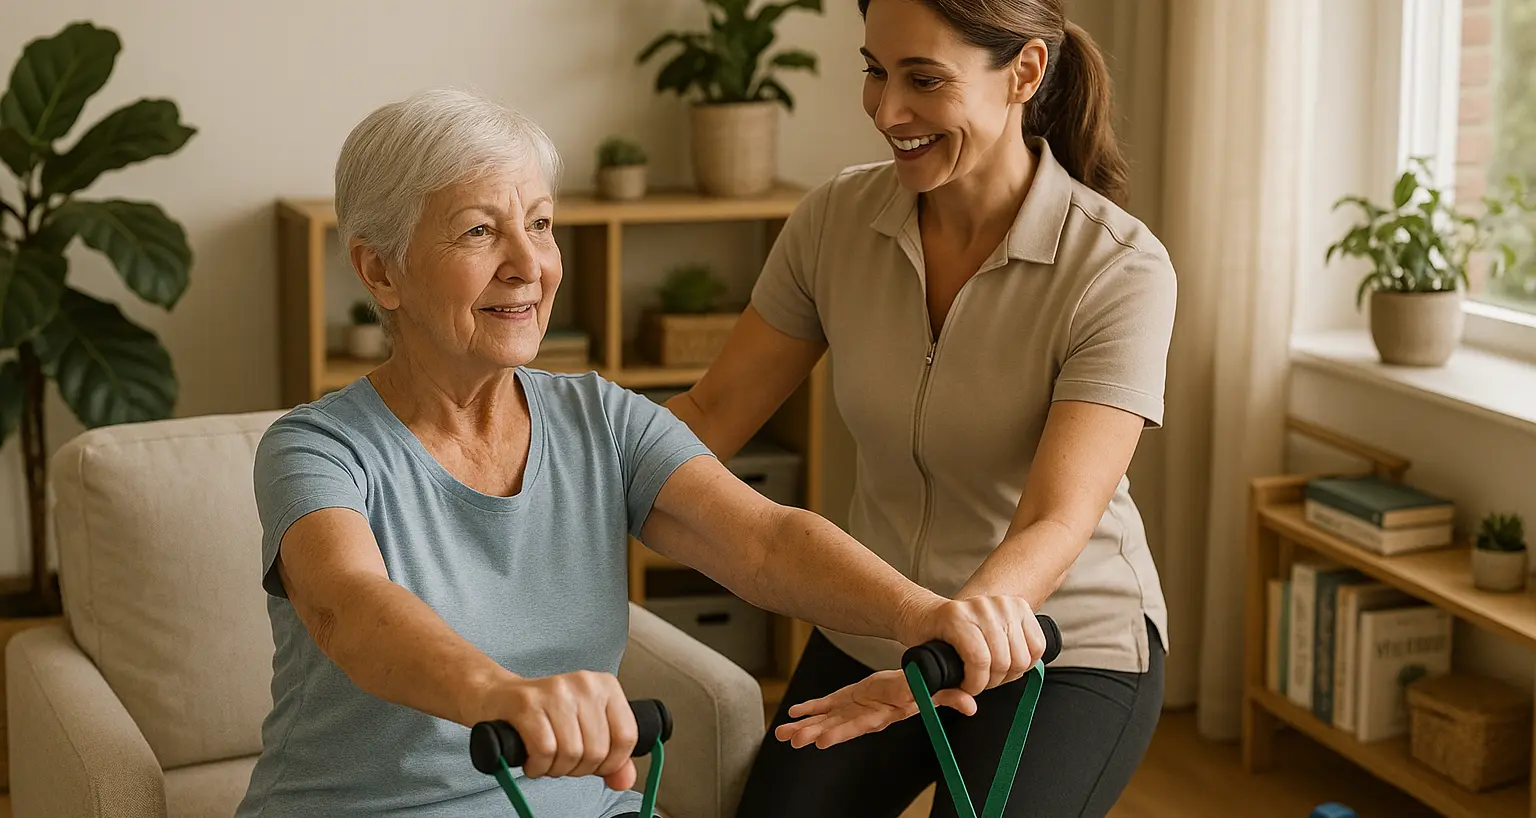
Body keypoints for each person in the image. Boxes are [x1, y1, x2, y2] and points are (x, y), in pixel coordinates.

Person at [234, 89, 1050, 818]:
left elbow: (765, 541)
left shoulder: (603, 419)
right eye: (480, 231)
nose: (530, 266)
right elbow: (350, 607)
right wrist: (503, 696)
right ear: (381, 271)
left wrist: (927, 616)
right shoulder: (318, 449)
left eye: (542, 224)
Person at [663, 1, 1176, 816]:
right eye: (875, 70)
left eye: (924, 79)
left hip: (1058, 646)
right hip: (877, 624)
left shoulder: (1116, 269)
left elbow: (1054, 519)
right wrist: (539, 473)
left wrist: (950, 636)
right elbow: (713, 410)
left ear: (1027, 73)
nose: (886, 110)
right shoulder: (834, 222)